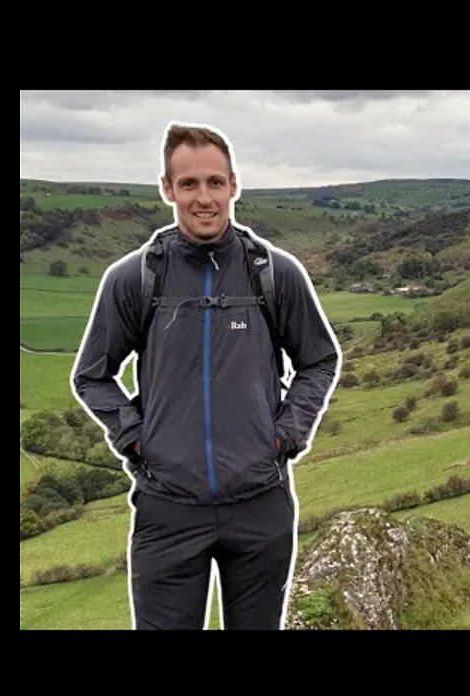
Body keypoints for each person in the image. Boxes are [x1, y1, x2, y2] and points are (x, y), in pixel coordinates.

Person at [71, 122, 340, 630]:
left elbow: (319, 360)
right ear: (167, 189)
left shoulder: (275, 273)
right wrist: (137, 438)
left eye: (215, 183)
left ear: (234, 186)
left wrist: (286, 435)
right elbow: (92, 376)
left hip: (261, 505)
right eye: (189, 184)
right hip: (167, 511)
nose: (204, 198)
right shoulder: (134, 278)